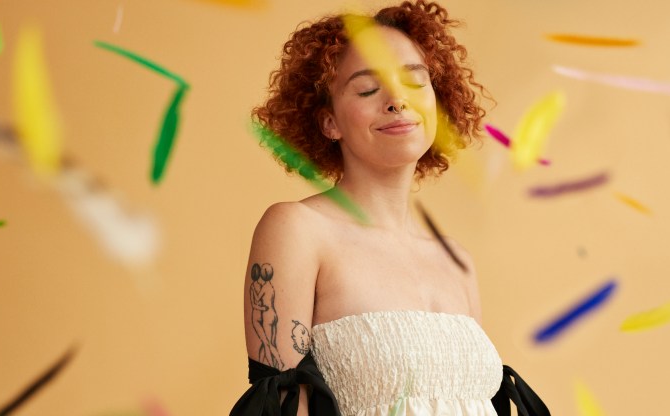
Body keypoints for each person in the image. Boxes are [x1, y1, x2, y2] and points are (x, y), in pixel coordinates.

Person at [230, 1, 550, 415]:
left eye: (415, 82)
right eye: (367, 89)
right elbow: (280, 403)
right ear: (329, 122)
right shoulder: (297, 229)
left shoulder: (456, 261)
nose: (398, 100)